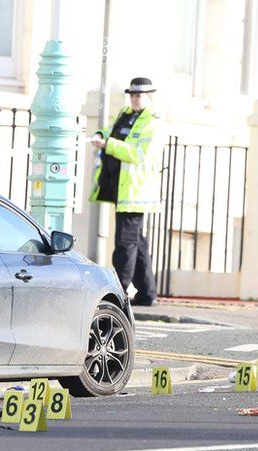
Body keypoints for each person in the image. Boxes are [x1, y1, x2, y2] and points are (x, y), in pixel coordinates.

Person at [89, 77, 161, 307]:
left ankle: (118, 294)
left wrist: (107, 144)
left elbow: (137, 154)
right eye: (132, 95)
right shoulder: (126, 114)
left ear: (150, 97)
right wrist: (102, 134)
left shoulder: (151, 122)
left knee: (125, 244)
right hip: (122, 189)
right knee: (137, 243)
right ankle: (147, 293)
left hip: (135, 193)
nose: (135, 99)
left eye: (139, 95)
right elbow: (111, 132)